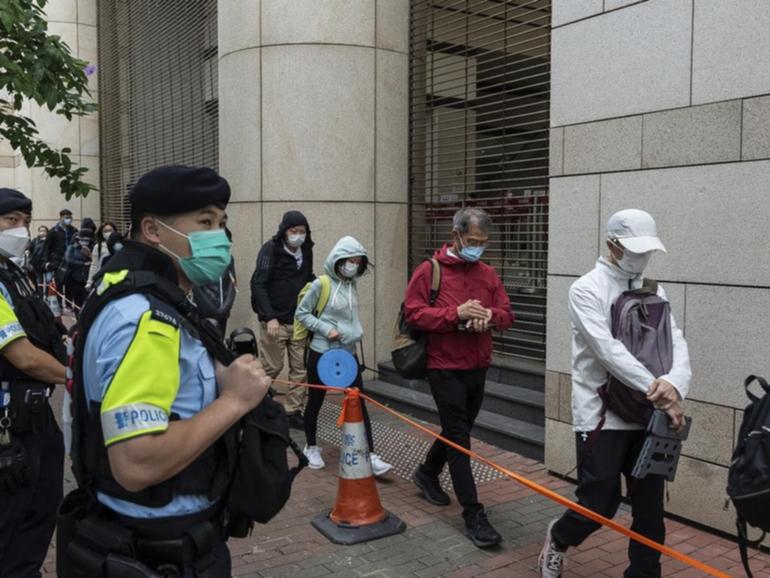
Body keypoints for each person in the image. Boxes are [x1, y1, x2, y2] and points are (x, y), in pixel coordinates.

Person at [60, 166, 272, 576]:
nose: (220, 238)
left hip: (136, 533)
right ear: (154, 231)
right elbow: (136, 463)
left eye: (223, 223)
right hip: (160, 547)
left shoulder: (129, 288)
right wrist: (234, 401)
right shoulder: (148, 318)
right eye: (205, 222)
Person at [538, 209, 691, 578]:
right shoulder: (586, 289)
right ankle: (559, 539)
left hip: (650, 413)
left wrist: (675, 383)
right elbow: (607, 351)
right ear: (611, 245)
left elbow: (677, 341)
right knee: (599, 502)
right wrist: (659, 390)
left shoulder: (654, 290)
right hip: (601, 413)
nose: (641, 258)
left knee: (650, 509)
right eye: (633, 250)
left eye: (646, 250)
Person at [403, 207, 514, 549]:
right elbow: (414, 313)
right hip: (443, 365)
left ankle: (427, 472)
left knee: (457, 430)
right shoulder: (429, 270)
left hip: (477, 364)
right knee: (459, 437)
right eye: (472, 241)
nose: (477, 247)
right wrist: (455, 314)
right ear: (456, 236)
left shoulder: (488, 274)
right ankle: (473, 514)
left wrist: (488, 316)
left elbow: (507, 313)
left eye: (482, 242)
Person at [0, 188, 67, 577]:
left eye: (25, 220)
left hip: (35, 416)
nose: (21, 229)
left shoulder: (14, 273)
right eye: (10, 220)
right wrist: (79, 378)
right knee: (11, 519)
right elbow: (22, 355)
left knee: (41, 510)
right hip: (9, 425)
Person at [295, 236, 392, 476]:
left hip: (348, 353)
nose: (354, 265)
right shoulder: (321, 284)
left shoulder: (352, 285)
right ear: (338, 259)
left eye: (358, 262)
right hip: (322, 352)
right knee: (316, 400)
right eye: (350, 260)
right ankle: (311, 447)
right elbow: (302, 313)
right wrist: (328, 329)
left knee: (358, 401)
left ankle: (369, 454)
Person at [251, 211, 315, 429]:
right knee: (272, 366)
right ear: (284, 231)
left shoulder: (306, 250)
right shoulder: (271, 250)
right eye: (293, 231)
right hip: (275, 321)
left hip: (298, 321)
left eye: (302, 232)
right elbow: (259, 284)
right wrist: (269, 317)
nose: (298, 236)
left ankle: (292, 411)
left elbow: (308, 277)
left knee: (300, 369)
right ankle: (253, 404)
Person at [194, 226, 237, 336]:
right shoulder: (199, 260)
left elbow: (233, 284)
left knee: (219, 344)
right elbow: (196, 288)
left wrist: (226, 307)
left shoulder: (229, 259)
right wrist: (211, 311)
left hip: (223, 313)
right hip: (204, 313)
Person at [62, 228, 94, 311]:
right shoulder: (72, 248)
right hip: (74, 278)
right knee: (77, 301)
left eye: (87, 240)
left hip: (87, 278)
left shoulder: (92, 248)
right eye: (83, 240)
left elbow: (95, 261)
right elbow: (69, 260)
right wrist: (83, 263)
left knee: (87, 301)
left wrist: (90, 255)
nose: (85, 242)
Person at [86, 221, 118, 289]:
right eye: (105, 231)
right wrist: (89, 282)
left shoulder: (120, 245)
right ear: (102, 234)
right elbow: (94, 265)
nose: (108, 233)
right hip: (102, 279)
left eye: (110, 230)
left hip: (117, 279)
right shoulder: (98, 247)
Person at [28, 225, 49, 293]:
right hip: (37, 264)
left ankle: (47, 294)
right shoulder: (35, 240)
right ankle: (40, 294)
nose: (42, 232)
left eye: (44, 231)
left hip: (47, 264)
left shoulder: (50, 241)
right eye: (40, 231)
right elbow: (30, 248)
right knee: (39, 281)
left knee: (48, 280)